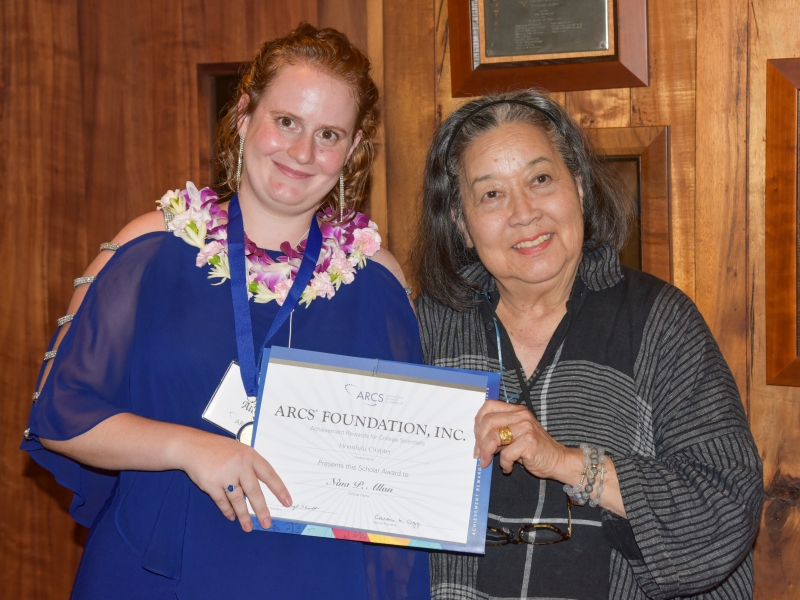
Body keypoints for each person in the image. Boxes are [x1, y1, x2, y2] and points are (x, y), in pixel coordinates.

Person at [22, 23, 430, 600]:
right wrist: (191, 448)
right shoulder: (147, 247)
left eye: (329, 133)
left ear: (355, 148)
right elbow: (62, 414)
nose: (302, 152)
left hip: (318, 578)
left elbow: (403, 457)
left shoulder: (378, 279)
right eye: (286, 121)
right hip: (158, 574)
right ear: (244, 115)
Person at [411, 90, 763, 599]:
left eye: (540, 179)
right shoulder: (427, 326)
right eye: (491, 194)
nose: (524, 213)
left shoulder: (658, 321)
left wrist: (565, 462)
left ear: (577, 185)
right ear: (461, 224)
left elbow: (724, 509)